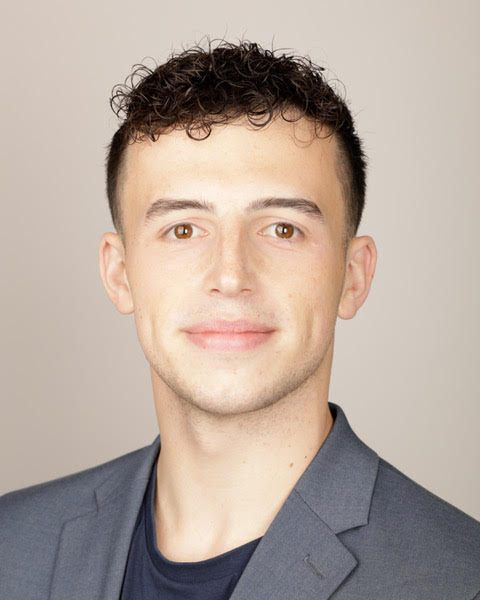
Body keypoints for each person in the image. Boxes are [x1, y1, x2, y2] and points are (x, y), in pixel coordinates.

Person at [1, 38, 479, 600]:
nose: (230, 276)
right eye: (183, 229)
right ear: (120, 273)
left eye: (282, 229)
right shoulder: (12, 544)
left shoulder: (458, 579)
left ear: (353, 276)